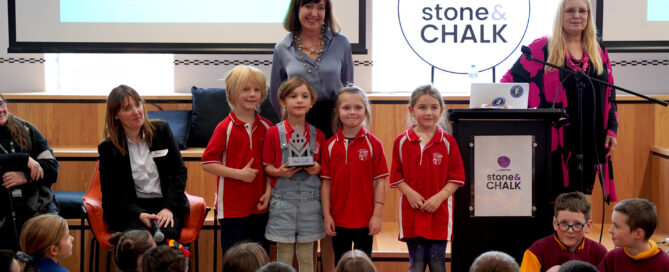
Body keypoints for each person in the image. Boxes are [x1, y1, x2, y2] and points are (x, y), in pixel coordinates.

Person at [501, 0, 618, 202]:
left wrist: (611, 129)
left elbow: (610, 93)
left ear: (589, 16)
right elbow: (509, 83)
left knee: (578, 199)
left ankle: (572, 231)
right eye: (570, 10)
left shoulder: (599, 50)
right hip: (553, 140)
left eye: (582, 11)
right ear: (560, 15)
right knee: (551, 199)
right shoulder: (541, 48)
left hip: (590, 137)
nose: (577, 15)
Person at [389, 85, 465, 272]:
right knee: (416, 263)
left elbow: (456, 178)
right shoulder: (401, 141)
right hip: (411, 213)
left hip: (439, 213)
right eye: (422, 107)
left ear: (441, 110)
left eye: (433, 107)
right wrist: (411, 194)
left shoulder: (448, 142)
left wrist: (438, 198)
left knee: (437, 262)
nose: (428, 112)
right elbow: (396, 176)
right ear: (411, 110)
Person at [98, 85, 189, 240]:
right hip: (132, 209)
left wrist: (168, 208)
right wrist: (139, 214)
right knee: (138, 239)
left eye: (138, 104)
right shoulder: (108, 149)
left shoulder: (162, 130)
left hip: (165, 203)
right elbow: (112, 195)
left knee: (166, 235)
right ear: (115, 115)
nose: (136, 111)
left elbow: (179, 173)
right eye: (127, 109)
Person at [201, 66, 273, 255]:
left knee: (260, 257)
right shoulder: (224, 127)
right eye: (245, 89)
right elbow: (208, 162)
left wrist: (269, 191)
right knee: (235, 259)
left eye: (257, 90)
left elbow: (271, 166)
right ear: (231, 93)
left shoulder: (268, 127)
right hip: (232, 209)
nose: (252, 94)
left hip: (260, 206)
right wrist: (239, 174)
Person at [263, 77, 326, 272]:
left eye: (304, 96)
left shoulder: (319, 135)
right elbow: (268, 167)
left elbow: (324, 168)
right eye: (293, 96)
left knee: (307, 255)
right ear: (283, 102)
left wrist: (317, 168)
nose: (299, 100)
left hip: (311, 203)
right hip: (283, 202)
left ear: (311, 103)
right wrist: (280, 171)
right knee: (284, 255)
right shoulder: (274, 133)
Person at [321, 86, 388, 264]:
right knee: (341, 263)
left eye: (358, 108)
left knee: (364, 264)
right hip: (339, 220)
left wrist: (378, 215)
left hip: (366, 220)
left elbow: (381, 181)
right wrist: (327, 215)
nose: (352, 112)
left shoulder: (374, 144)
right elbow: (326, 184)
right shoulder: (329, 145)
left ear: (365, 111)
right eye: (346, 108)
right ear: (337, 111)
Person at [270, 0, 354, 138]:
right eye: (308, 6)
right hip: (298, 122)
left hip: (334, 122)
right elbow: (276, 94)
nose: (314, 13)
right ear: (296, 9)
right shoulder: (282, 48)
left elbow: (348, 87)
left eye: (320, 8)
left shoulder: (341, 43)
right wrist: (288, 123)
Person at [0, 94, 59, 250]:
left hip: (37, 204)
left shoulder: (26, 129)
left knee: (53, 233)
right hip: (4, 210)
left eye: (1, 104)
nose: (1, 110)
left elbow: (52, 169)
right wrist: (24, 159)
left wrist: (25, 177)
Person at [519, 192, 607, 272]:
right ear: (555, 223)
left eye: (577, 224)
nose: (570, 230)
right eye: (564, 223)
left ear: (588, 226)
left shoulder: (599, 252)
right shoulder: (536, 252)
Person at [598, 198, 669, 271]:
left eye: (616, 226)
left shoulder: (665, 264)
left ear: (638, 234)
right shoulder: (612, 258)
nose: (610, 230)